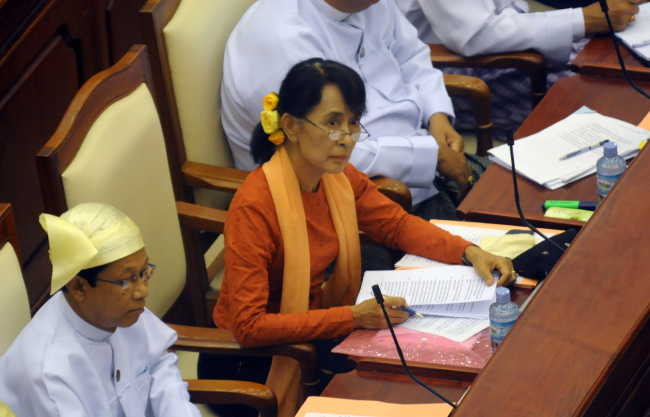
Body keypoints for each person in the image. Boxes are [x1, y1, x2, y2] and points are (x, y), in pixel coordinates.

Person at [201, 58, 516, 417]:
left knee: (425, 376)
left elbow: (396, 225)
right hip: (249, 365)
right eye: (333, 123)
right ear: (290, 125)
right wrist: (353, 317)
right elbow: (249, 326)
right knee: (388, 394)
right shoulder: (255, 206)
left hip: (312, 330)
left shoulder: (337, 176)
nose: (347, 138)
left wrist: (469, 252)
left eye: (353, 122)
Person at [221, 0, 482, 220]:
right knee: (489, 260)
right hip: (345, 204)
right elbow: (323, 146)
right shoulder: (282, 37)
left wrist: (438, 117)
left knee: (514, 197)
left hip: (426, 159)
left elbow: (412, 57)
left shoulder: (369, 2)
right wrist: (430, 156)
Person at [0, 202, 200, 417]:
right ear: (78, 287)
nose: (142, 291)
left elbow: (159, 366)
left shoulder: (123, 311)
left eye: (144, 273)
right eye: (127, 280)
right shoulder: (49, 374)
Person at [396, 0, 641, 139]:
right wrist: (582, 20)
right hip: (463, 71)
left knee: (627, 60)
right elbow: (477, 35)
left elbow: (510, 10)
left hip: (510, 44)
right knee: (616, 99)